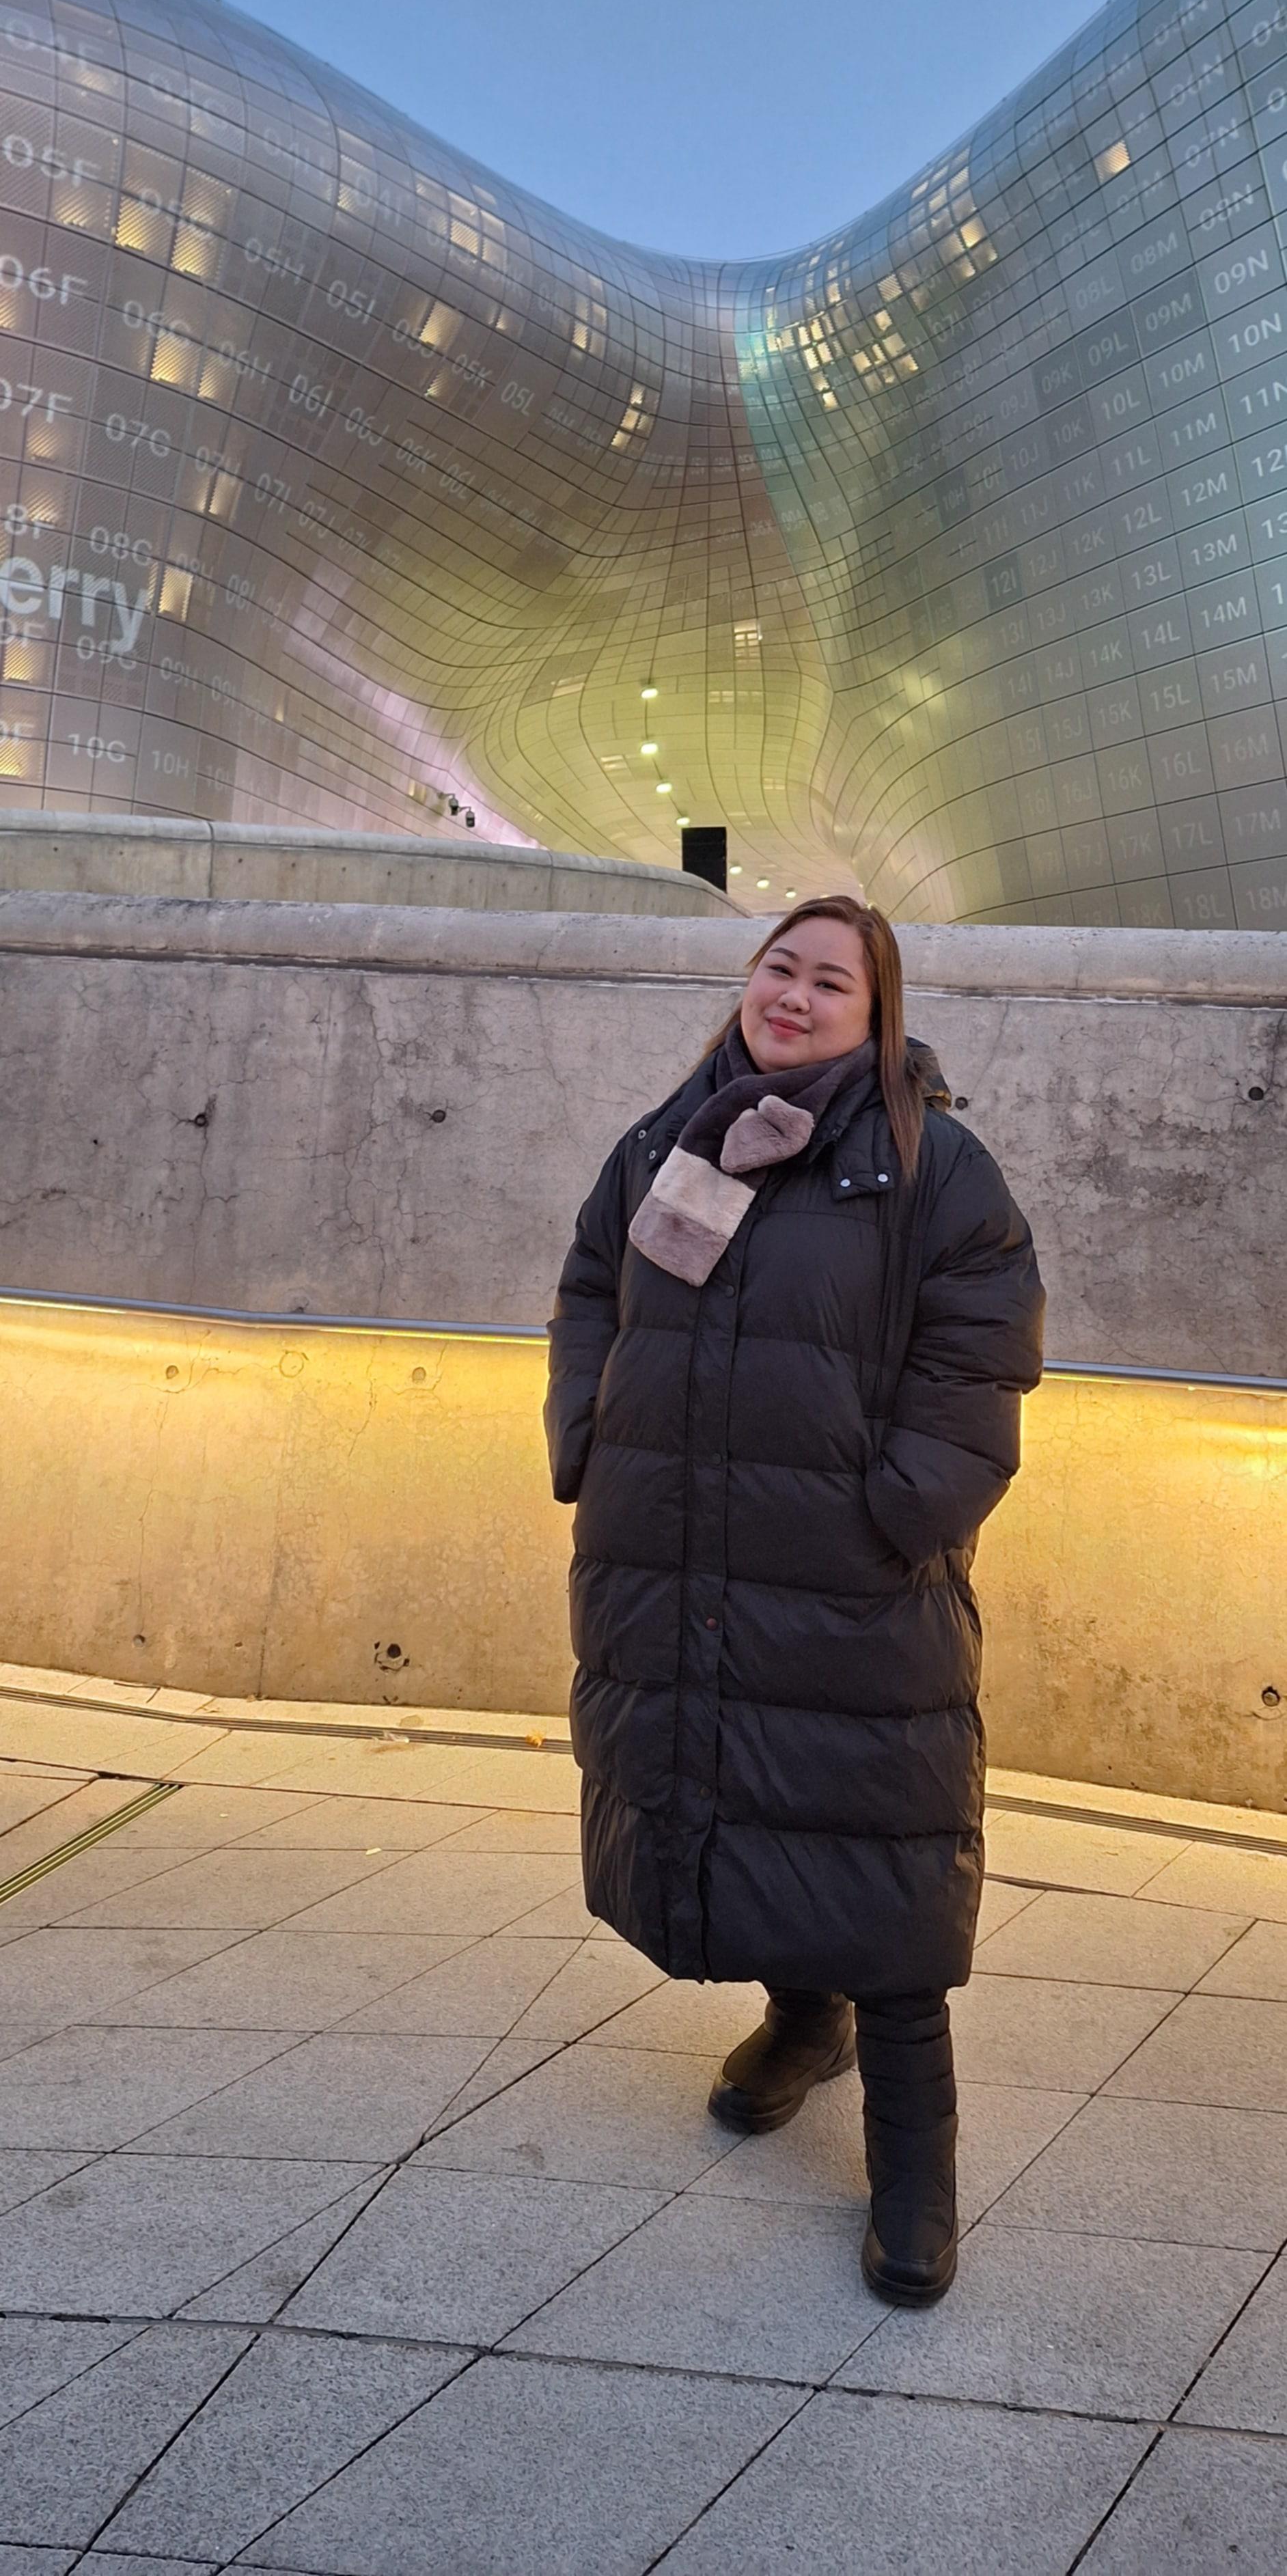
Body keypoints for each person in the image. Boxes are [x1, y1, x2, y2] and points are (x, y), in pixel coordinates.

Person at [544, 896, 1043, 2305]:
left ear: (876, 1016)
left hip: (851, 1574)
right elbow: (592, 1291)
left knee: (878, 1840)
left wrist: (903, 1511)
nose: (797, 996)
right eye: (781, 968)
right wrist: (588, 1434)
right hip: (679, 1548)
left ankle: (915, 2170)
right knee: (742, 1790)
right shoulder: (669, 1143)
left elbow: (982, 1349)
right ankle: (802, 2020)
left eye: (832, 982)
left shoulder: (928, 1164)